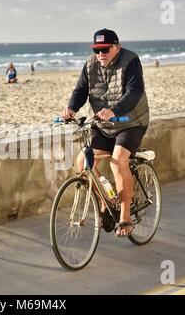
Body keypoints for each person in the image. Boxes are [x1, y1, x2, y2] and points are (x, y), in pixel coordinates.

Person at [62, 28, 150, 237]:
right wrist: (71, 108)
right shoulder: (91, 63)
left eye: (105, 49)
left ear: (116, 47)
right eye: (96, 49)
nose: (100, 54)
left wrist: (114, 110)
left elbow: (134, 91)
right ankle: (107, 200)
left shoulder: (131, 61)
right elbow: (81, 90)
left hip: (130, 122)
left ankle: (125, 217)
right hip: (104, 125)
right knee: (83, 164)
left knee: (118, 161)